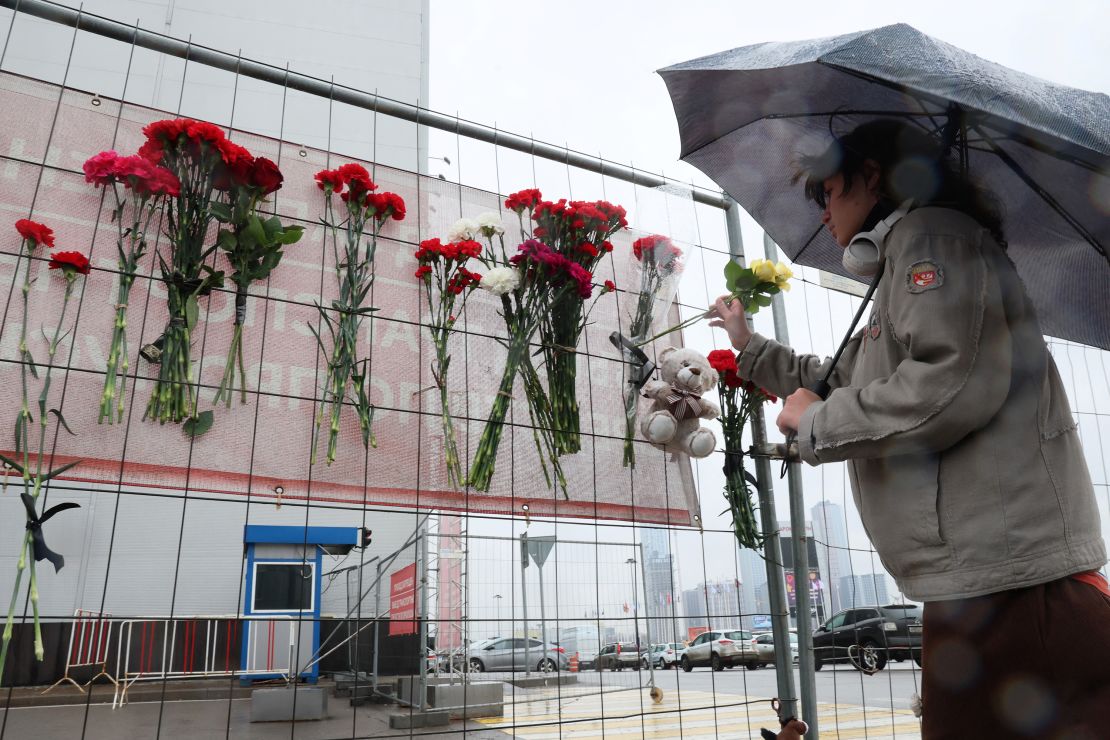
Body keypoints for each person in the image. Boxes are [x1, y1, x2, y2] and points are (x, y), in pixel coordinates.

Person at [709, 119, 1110, 739]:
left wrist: (817, 424)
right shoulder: (906, 260)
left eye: (830, 191)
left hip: (1016, 589)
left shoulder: (934, 239)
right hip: (991, 582)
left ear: (872, 177)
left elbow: (949, 383)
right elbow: (841, 377)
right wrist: (749, 347)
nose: (823, 214)